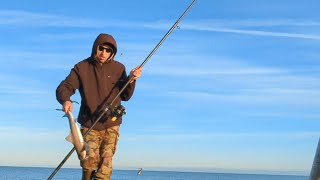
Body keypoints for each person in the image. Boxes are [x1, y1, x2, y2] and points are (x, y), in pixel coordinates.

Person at [56, 33, 142, 180]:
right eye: (101, 48)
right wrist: (66, 100)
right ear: (95, 47)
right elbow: (65, 86)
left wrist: (132, 80)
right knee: (89, 162)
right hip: (89, 123)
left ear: (112, 52)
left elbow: (126, 96)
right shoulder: (82, 67)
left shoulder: (119, 68)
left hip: (111, 123)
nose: (104, 53)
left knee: (105, 165)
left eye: (108, 50)